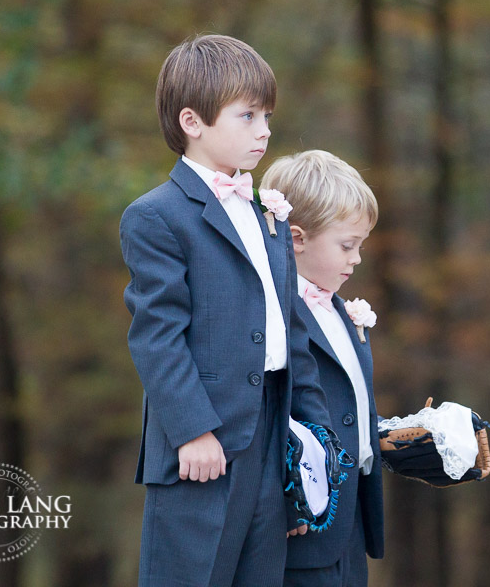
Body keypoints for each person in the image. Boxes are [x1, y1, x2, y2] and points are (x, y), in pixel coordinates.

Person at [119, 35, 331, 587]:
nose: (264, 130)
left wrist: (315, 441)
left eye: (267, 116)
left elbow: (294, 334)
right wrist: (192, 431)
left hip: (271, 436)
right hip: (204, 448)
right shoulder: (157, 218)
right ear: (192, 121)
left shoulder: (271, 217)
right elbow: (157, 336)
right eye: (248, 115)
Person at [261, 150, 384, 587]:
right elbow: (271, 413)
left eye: (361, 246)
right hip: (305, 521)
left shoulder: (337, 310)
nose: (357, 259)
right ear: (296, 238)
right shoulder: (274, 312)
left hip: (351, 521)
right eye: (347, 246)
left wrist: (394, 436)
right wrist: (291, 498)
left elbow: (346, 408)